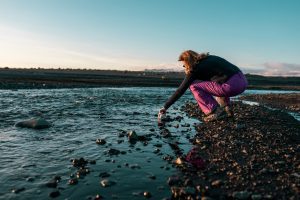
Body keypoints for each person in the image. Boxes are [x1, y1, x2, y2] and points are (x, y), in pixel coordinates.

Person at [158, 50, 248, 122]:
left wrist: (165, 106)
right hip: (243, 81)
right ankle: (227, 109)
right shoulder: (211, 58)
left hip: (231, 86)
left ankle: (214, 111)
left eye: (184, 64)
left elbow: (180, 90)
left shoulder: (195, 69)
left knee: (193, 85)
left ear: (188, 61)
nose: (184, 66)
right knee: (216, 84)